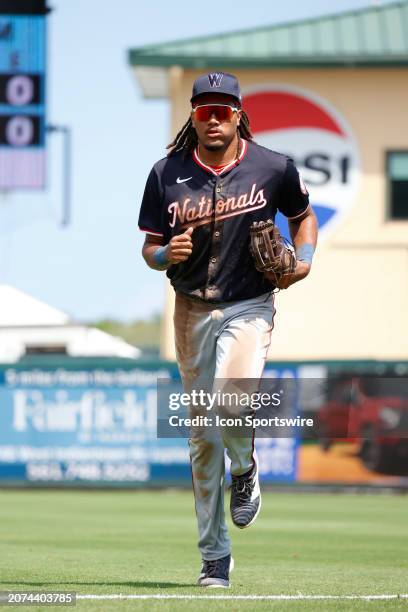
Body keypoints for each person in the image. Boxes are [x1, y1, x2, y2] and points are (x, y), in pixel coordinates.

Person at [139, 72, 318, 588]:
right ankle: (214, 557)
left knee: (233, 402)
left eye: (223, 109)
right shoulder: (166, 172)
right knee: (201, 438)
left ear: (239, 114)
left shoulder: (272, 167)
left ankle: (244, 470)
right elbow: (149, 246)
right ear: (192, 115)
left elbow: (302, 216)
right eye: (204, 110)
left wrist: (302, 257)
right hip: (191, 308)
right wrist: (161, 254)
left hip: (249, 302)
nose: (213, 118)